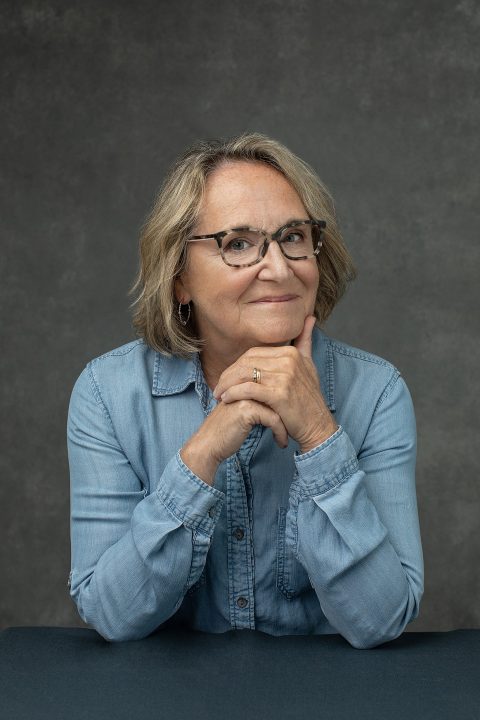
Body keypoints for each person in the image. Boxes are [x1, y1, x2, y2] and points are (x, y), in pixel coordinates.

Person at [67, 133, 424, 648]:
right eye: (238, 243)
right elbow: (113, 614)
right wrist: (202, 453)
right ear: (179, 277)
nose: (279, 268)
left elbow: (383, 619)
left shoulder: (377, 391)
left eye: (294, 237)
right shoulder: (107, 394)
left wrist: (320, 434)